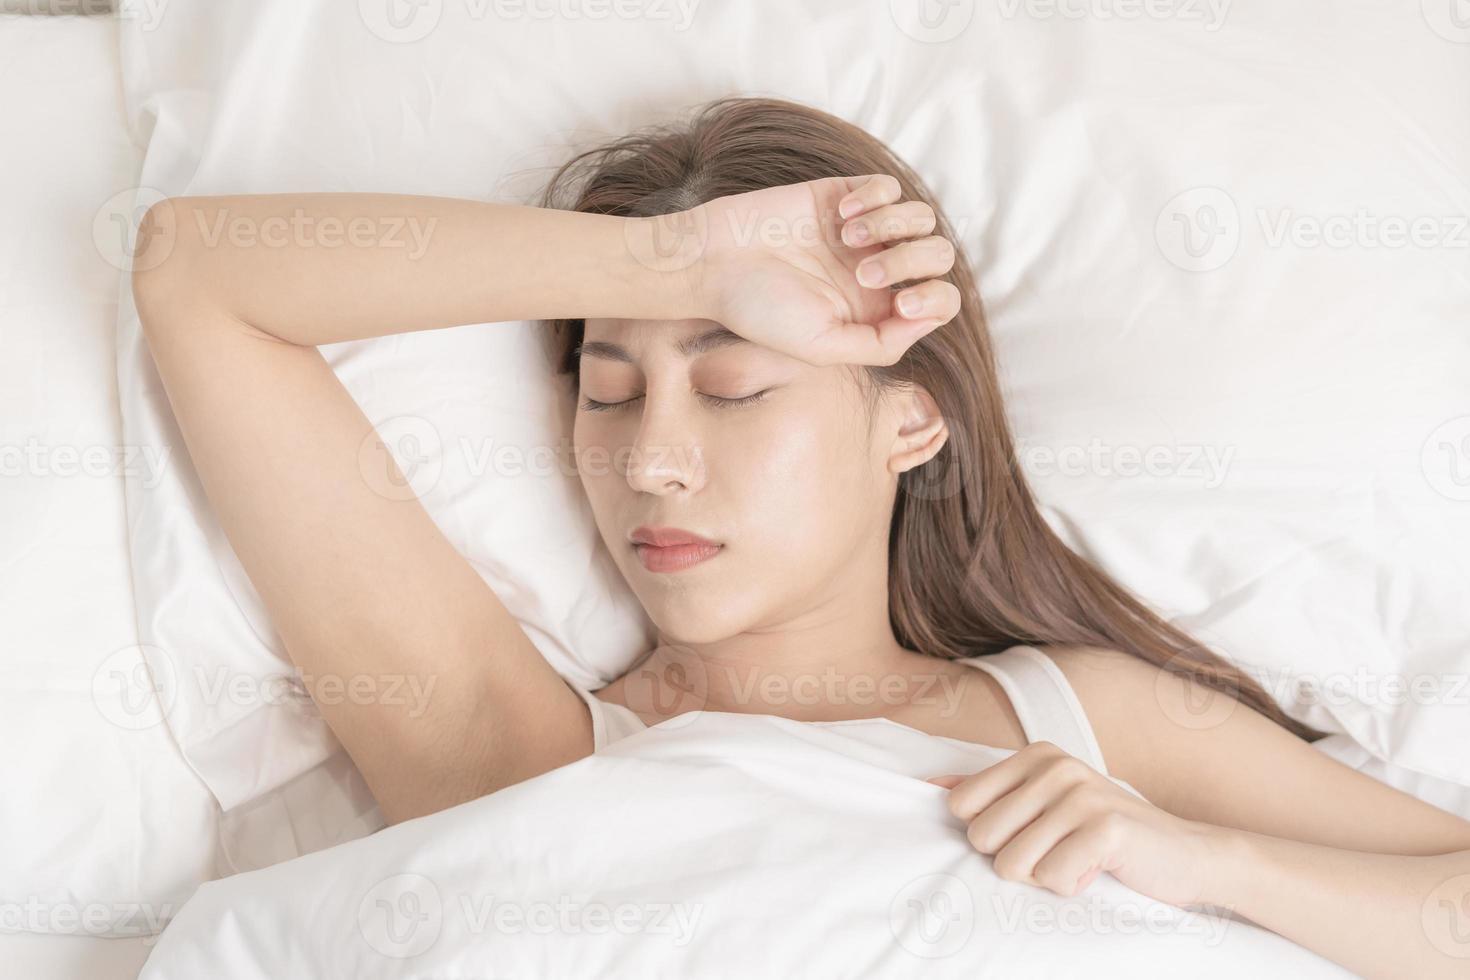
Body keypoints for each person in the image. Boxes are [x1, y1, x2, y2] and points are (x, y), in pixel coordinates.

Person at [132, 96, 1470, 978]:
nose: (648, 458)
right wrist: (670, 270)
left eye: (732, 386)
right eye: (605, 389)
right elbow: (197, 277)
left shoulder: (1082, 720)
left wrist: (1204, 861)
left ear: (909, 424)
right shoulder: (519, 754)